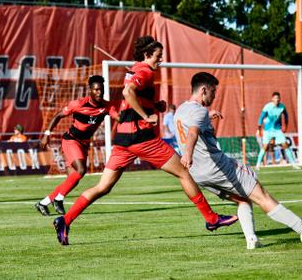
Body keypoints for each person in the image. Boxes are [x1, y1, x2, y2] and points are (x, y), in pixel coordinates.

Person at [52, 36, 237, 245]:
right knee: (184, 173)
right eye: (158, 56)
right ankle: (212, 219)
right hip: (142, 138)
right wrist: (146, 115)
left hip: (122, 139)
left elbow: (133, 95)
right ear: (147, 55)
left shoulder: (135, 69)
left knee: (102, 187)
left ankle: (65, 220)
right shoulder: (145, 71)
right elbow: (127, 92)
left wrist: (153, 105)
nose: (161, 60)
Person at [174, 72, 302, 249]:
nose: (214, 95)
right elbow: (192, 133)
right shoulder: (200, 112)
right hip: (218, 168)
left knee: (243, 200)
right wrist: (187, 153)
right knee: (263, 197)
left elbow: (191, 126)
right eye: (213, 91)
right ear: (203, 90)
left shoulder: (181, 110)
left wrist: (205, 119)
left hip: (199, 175)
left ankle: (252, 240)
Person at [35, 75, 119, 216]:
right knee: (81, 170)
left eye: (101, 89)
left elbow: (119, 117)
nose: (99, 92)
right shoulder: (78, 104)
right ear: (90, 90)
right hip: (71, 140)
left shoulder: (107, 106)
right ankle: (59, 199)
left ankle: (43, 203)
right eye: (96, 90)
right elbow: (58, 116)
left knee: (73, 179)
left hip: (84, 144)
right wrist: (47, 134)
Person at [255, 92, 298, 170]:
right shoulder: (267, 107)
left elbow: (286, 117)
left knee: (285, 145)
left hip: (277, 130)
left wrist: (286, 126)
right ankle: (257, 165)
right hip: (268, 130)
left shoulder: (282, 107)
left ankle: (294, 164)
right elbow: (261, 118)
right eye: (275, 98)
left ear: (279, 99)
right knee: (264, 147)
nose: (277, 99)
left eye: (278, 98)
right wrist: (259, 129)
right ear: (272, 99)